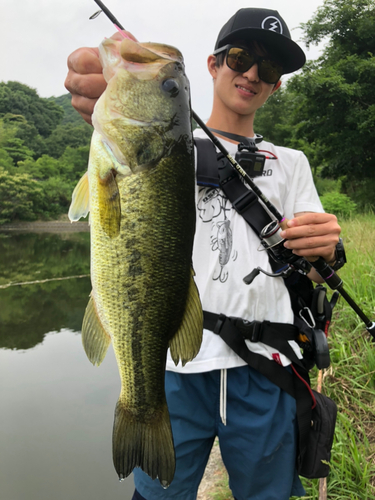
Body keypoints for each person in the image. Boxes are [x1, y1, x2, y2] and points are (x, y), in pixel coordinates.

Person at [65, 8, 341, 500]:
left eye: (269, 69)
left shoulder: (293, 164)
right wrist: (104, 85)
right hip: (174, 371)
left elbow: (315, 272)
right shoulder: (173, 145)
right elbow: (112, 108)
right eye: (240, 58)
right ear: (214, 66)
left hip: (266, 371)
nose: (252, 74)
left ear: (276, 87)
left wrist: (326, 249)